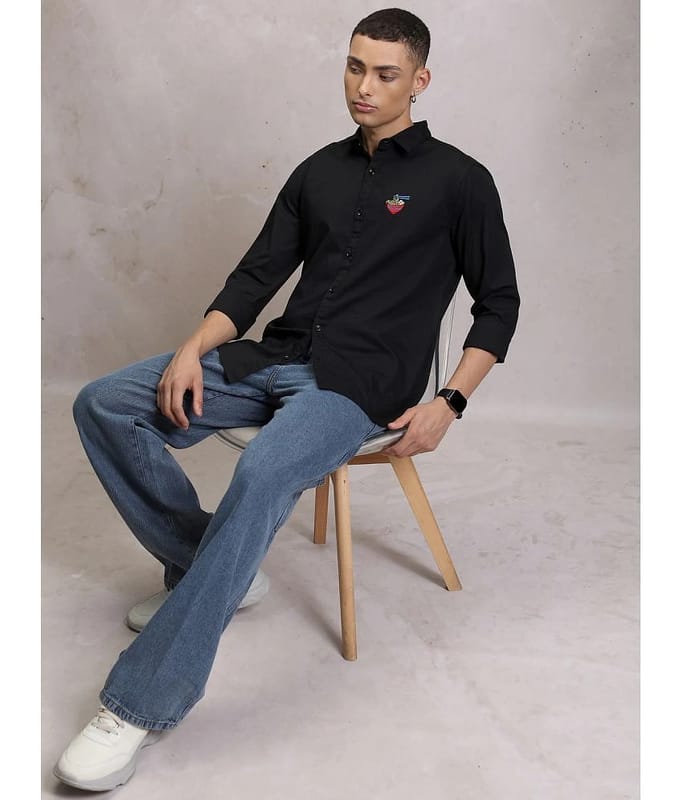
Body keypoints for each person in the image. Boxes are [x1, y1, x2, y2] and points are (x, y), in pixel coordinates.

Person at [53, 7, 520, 791]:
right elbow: (254, 277)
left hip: (360, 387)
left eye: (384, 74)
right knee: (103, 403)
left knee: (264, 470)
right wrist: (193, 349)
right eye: (354, 67)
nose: (364, 86)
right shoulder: (317, 171)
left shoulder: (459, 181)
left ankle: (138, 704)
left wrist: (450, 402)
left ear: (419, 80)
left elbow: (498, 304)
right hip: (272, 358)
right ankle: (209, 566)